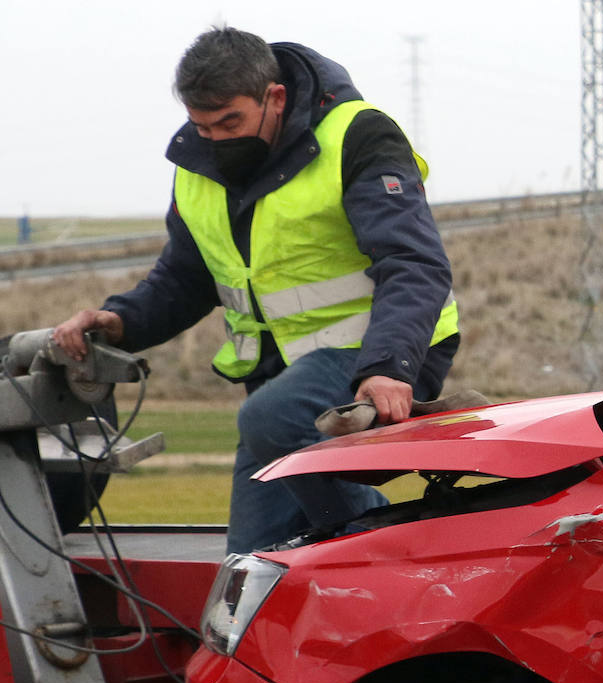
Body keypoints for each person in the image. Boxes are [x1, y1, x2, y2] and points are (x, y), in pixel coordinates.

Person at [53, 26, 460, 553]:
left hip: (386, 352)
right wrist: (119, 321)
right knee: (249, 565)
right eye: (203, 127)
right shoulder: (197, 168)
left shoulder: (359, 137)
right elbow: (183, 280)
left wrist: (389, 366)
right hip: (282, 376)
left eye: (230, 122)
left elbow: (414, 263)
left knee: (273, 417)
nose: (217, 141)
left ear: (275, 97)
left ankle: (388, 552)